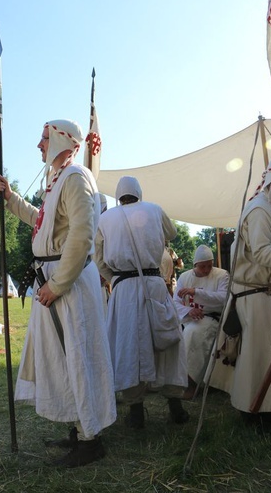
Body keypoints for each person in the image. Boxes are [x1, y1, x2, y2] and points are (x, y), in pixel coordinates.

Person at [0, 119, 116, 467]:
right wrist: (10, 197)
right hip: (58, 279)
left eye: (44, 138)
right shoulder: (58, 180)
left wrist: (57, 284)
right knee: (64, 360)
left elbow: (81, 235)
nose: (38, 145)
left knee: (77, 356)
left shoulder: (76, 178)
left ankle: (91, 440)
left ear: (63, 139)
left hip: (70, 284)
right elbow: (42, 223)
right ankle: (79, 429)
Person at [94, 176, 189, 429]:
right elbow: (172, 233)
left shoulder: (105, 219)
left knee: (128, 346)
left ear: (118, 195)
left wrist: (113, 276)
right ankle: (175, 406)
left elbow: (97, 257)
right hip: (154, 284)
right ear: (139, 193)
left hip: (124, 290)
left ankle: (136, 411)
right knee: (167, 340)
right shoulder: (155, 209)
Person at [209, 144, 271, 426]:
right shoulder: (259, 211)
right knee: (258, 358)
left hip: (268, 294)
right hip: (254, 296)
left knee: (268, 356)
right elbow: (262, 252)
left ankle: (270, 409)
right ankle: (252, 412)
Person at [173, 245, 229, 399]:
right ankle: (181, 381)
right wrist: (189, 311)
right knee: (184, 335)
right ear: (195, 265)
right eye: (202, 266)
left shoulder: (222, 275)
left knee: (194, 333)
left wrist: (196, 292)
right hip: (189, 319)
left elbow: (224, 298)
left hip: (213, 318)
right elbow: (175, 302)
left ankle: (192, 383)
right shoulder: (185, 277)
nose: (206, 270)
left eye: (209, 265)